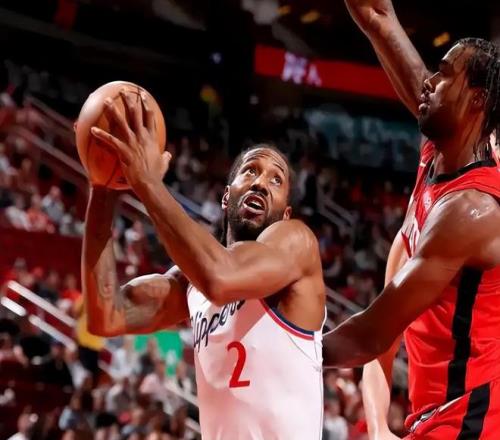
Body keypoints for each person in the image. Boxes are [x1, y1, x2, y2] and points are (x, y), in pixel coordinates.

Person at [83, 90, 326, 439]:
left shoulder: (297, 241)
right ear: (226, 197)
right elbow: (106, 314)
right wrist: (103, 185)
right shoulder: (192, 284)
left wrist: (147, 182)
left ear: (286, 214)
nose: (261, 183)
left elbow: (220, 278)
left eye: (276, 180)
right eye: (250, 171)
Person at [323, 0, 500, 438]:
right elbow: (384, 24)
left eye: (443, 74)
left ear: (477, 101)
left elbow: (371, 333)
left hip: (473, 421)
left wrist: (283, 345)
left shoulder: (471, 208)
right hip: (435, 416)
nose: (429, 82)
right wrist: (377, 21)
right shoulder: (437, 157)